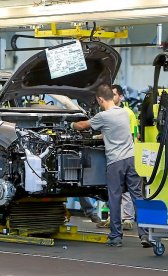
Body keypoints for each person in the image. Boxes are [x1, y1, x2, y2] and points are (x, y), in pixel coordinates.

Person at [70, 84, 150, 248]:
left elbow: (83, 126)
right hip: (131, 159)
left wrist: (70, 125)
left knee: (115, 198)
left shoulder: (103, 116)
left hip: (116, 162)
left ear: (100, 99)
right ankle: (145, 235)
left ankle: (115, 236)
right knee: (137, 197)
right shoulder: (124, 112)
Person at [97, 85, 137, 230]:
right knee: (116, 192)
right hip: (121, 156)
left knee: (124, 193)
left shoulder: (127, 113)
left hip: (123, 156)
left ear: (120, 97)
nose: (111, 97)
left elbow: (131, 135)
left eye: (114, 95)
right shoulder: (107, 113)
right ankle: (115, 220)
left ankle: (127, 219)